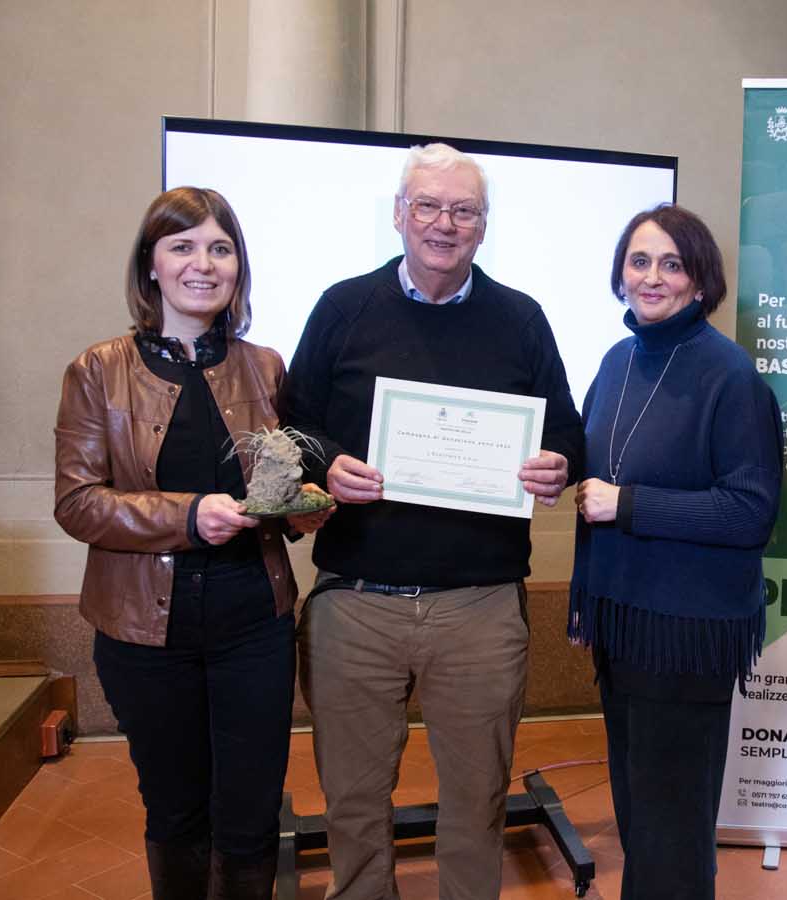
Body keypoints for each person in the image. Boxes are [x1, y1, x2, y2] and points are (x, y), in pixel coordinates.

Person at [285, 142, 585, 899]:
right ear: (398, 214)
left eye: (463, 210)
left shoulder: (521, 319)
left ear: (484, 225)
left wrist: (556, 464)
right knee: (353, 801)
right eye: (428, 205)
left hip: (478, 607)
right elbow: (292, 425)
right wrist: (329, 463)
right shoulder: (342, 308)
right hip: (356, 602)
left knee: (477, 802)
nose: (444, 223)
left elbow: (565, 433)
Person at [54, 187, 331, 899]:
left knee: (250, 817)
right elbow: (77, 503)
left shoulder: (265, 366)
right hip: (145, 634)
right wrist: (188, 517)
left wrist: (306, 510)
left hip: (254, 624)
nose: (202, 264)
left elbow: (278, 491)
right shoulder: (98, 369)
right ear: (150, 264)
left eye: (220, 248)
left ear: (238, 266)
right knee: (176, 812)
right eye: (182, 246)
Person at [572, 204, 782, 900]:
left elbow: (750, 512)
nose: (652, 277)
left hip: (687, 633)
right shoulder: (617, 360)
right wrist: (585, 603)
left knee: (672, 829)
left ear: (700, 280)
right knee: (639, 818)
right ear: (620, 273)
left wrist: (629, 504)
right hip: (624, 626)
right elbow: (593, 484)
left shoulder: (730, 376)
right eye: (639, 261)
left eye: (671, 263)